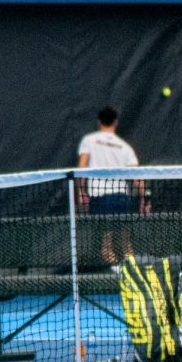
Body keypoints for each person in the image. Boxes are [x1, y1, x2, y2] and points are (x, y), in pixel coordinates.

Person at [77, 107, 143, 265]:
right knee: (125, 243)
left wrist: (81, 192)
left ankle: (115, 276)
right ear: (116, 123)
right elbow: (137, 177)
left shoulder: (89, 140)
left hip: (100, 198)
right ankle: (131, 273)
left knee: (106, 244)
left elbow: (81, 167)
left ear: (99, 122)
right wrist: (144, 198)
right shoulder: (125, 147)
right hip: (121, 198)